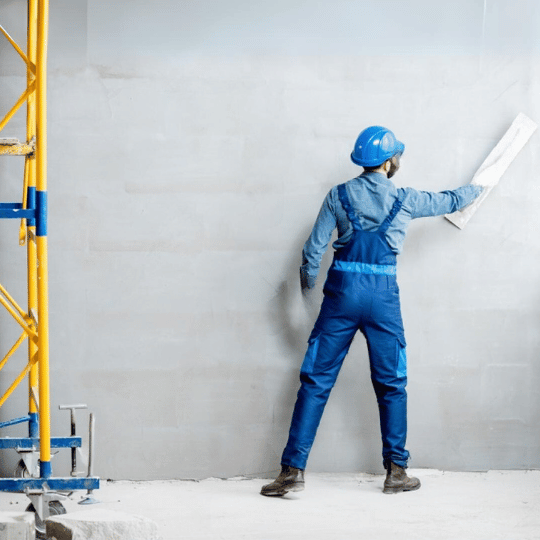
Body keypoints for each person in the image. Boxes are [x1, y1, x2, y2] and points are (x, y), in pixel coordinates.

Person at [261, 125, 483, 496]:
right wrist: (478, 189)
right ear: (390, 160)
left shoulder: (339, 195)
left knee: (315, 381)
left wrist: (307, 288)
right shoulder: (407, 199)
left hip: (341, 296)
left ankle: (292, 472)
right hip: (383, 300)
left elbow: (312, 252)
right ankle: (396, 472)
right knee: (392, 383)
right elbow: (449, 200)